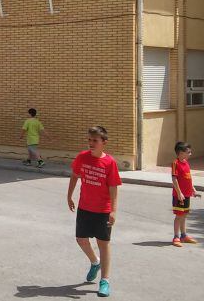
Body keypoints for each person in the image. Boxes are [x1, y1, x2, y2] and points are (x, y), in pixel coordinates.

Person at [67, 126, 121, 298]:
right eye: (89, 140)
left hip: (102, 210)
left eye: (95, 140)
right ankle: (94, 262)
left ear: (104, 142)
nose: (91, 143)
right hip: (85, 207)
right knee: (81, 239)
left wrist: (113, 210)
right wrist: (69, 196)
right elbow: (75, 175)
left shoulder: (110, 162)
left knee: (103, 244)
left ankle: (104, 281)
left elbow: (113, 187)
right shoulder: (82, 157)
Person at [171, 141, 201, 247]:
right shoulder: (175, 163)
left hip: (187, 194)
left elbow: (188, 178)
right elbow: (174, 179)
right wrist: (179, 193)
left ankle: (184, 235)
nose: (190, 154)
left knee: (184, 215)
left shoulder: (186, 163)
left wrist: (194, 190)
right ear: (181, 152)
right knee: (179, 216)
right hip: (179, 195)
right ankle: (176, 237)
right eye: (188, 152)